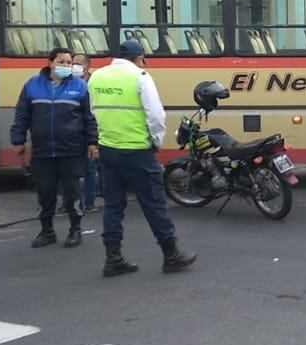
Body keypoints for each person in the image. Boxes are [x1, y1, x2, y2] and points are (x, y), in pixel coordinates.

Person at [88, 40, 195, 277]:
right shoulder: (140, 77)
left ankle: (113, 259)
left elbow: (93, 110)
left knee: (113, 205)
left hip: (109, 150)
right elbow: (155, 115)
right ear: (139, 58)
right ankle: (171, 255)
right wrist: (156, 141)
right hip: (137, 151)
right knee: (154, 203)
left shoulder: (97, 77)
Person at [11, 47, 98, 249]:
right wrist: (18, 140)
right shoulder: (33, 85)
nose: (67, 66)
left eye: (69, 62)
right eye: (62, 62)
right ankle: (47, 231)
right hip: (43, 151)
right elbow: (22, 115)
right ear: (50, 63)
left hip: (71, 150)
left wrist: (92, 142)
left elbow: (89, 118)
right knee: (45, 192)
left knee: (72, 192)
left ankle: (75, 230)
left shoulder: (80, 87)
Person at [72, 52, 98, 212]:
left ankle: (89, 202)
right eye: (72, 63)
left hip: (90, 131)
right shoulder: (68, 82)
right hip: (73, 133)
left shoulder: (95, 82)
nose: (73, 66)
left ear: (87, 65)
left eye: (77, 63)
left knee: (90, 170)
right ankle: (69, 202)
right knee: (70, 171)